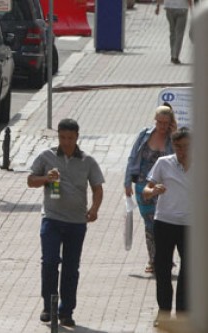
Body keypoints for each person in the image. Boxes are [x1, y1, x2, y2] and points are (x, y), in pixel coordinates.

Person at [27, 118, 104, 327]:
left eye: (70, 138)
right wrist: (46, 179)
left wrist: (94, 209)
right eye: (62, 137)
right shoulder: (46, 156)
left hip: (77, 222)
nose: (66, 142)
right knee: (50, 262)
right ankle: (48, 306)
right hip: (51, 218)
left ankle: (66, 310)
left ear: (77, 137)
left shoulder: (88, 161)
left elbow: (98, 188)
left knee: (71, 267)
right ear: (58, 136)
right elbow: (30, 180)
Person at [142, 127, 190, 326]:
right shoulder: (164, 163)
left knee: (189, 272)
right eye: (178, 146)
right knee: (162, 270)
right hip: (165, 223)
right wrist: (153, 191)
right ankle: (163, 313)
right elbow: (146, 191)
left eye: (186, 147)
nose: (182, 151)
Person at [124, 105, 176, 273]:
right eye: (159, 122)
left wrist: (174, 135)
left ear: (170, 123)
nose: (161, 126)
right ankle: (153, 260)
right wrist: (127, 182)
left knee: (165, 224)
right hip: (142, 186)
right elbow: (132, 156)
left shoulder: (173, 138)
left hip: (165, 188)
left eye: (165, 123)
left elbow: (181, 158)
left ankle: (165, 257)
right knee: (150, 223)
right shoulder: (144, 134)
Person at [155, 0, 193, 64]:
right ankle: (175, 56)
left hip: (169, 7)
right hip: (182, 8)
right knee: (179, 33)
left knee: (172, 32)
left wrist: (158, 6)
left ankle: (173, 55)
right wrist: (192, 8)